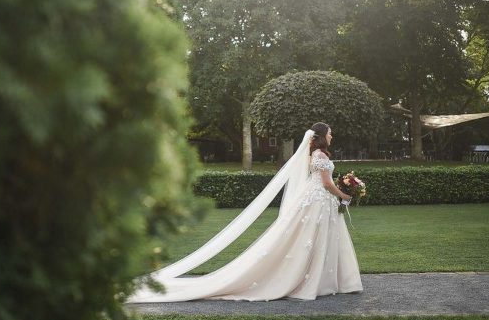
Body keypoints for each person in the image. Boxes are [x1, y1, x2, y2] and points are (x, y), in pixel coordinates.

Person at [127, 122, 364, 303]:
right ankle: (313, 281)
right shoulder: (320, 155)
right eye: (330, 133)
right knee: (313, 239)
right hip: (319, 199)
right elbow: (326, 183)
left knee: (312, 239)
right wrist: (344, 195)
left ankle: (317, 279)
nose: (332, 136)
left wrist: (341, 190)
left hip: (318, 200)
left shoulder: (314, 154)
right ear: (321, 136)